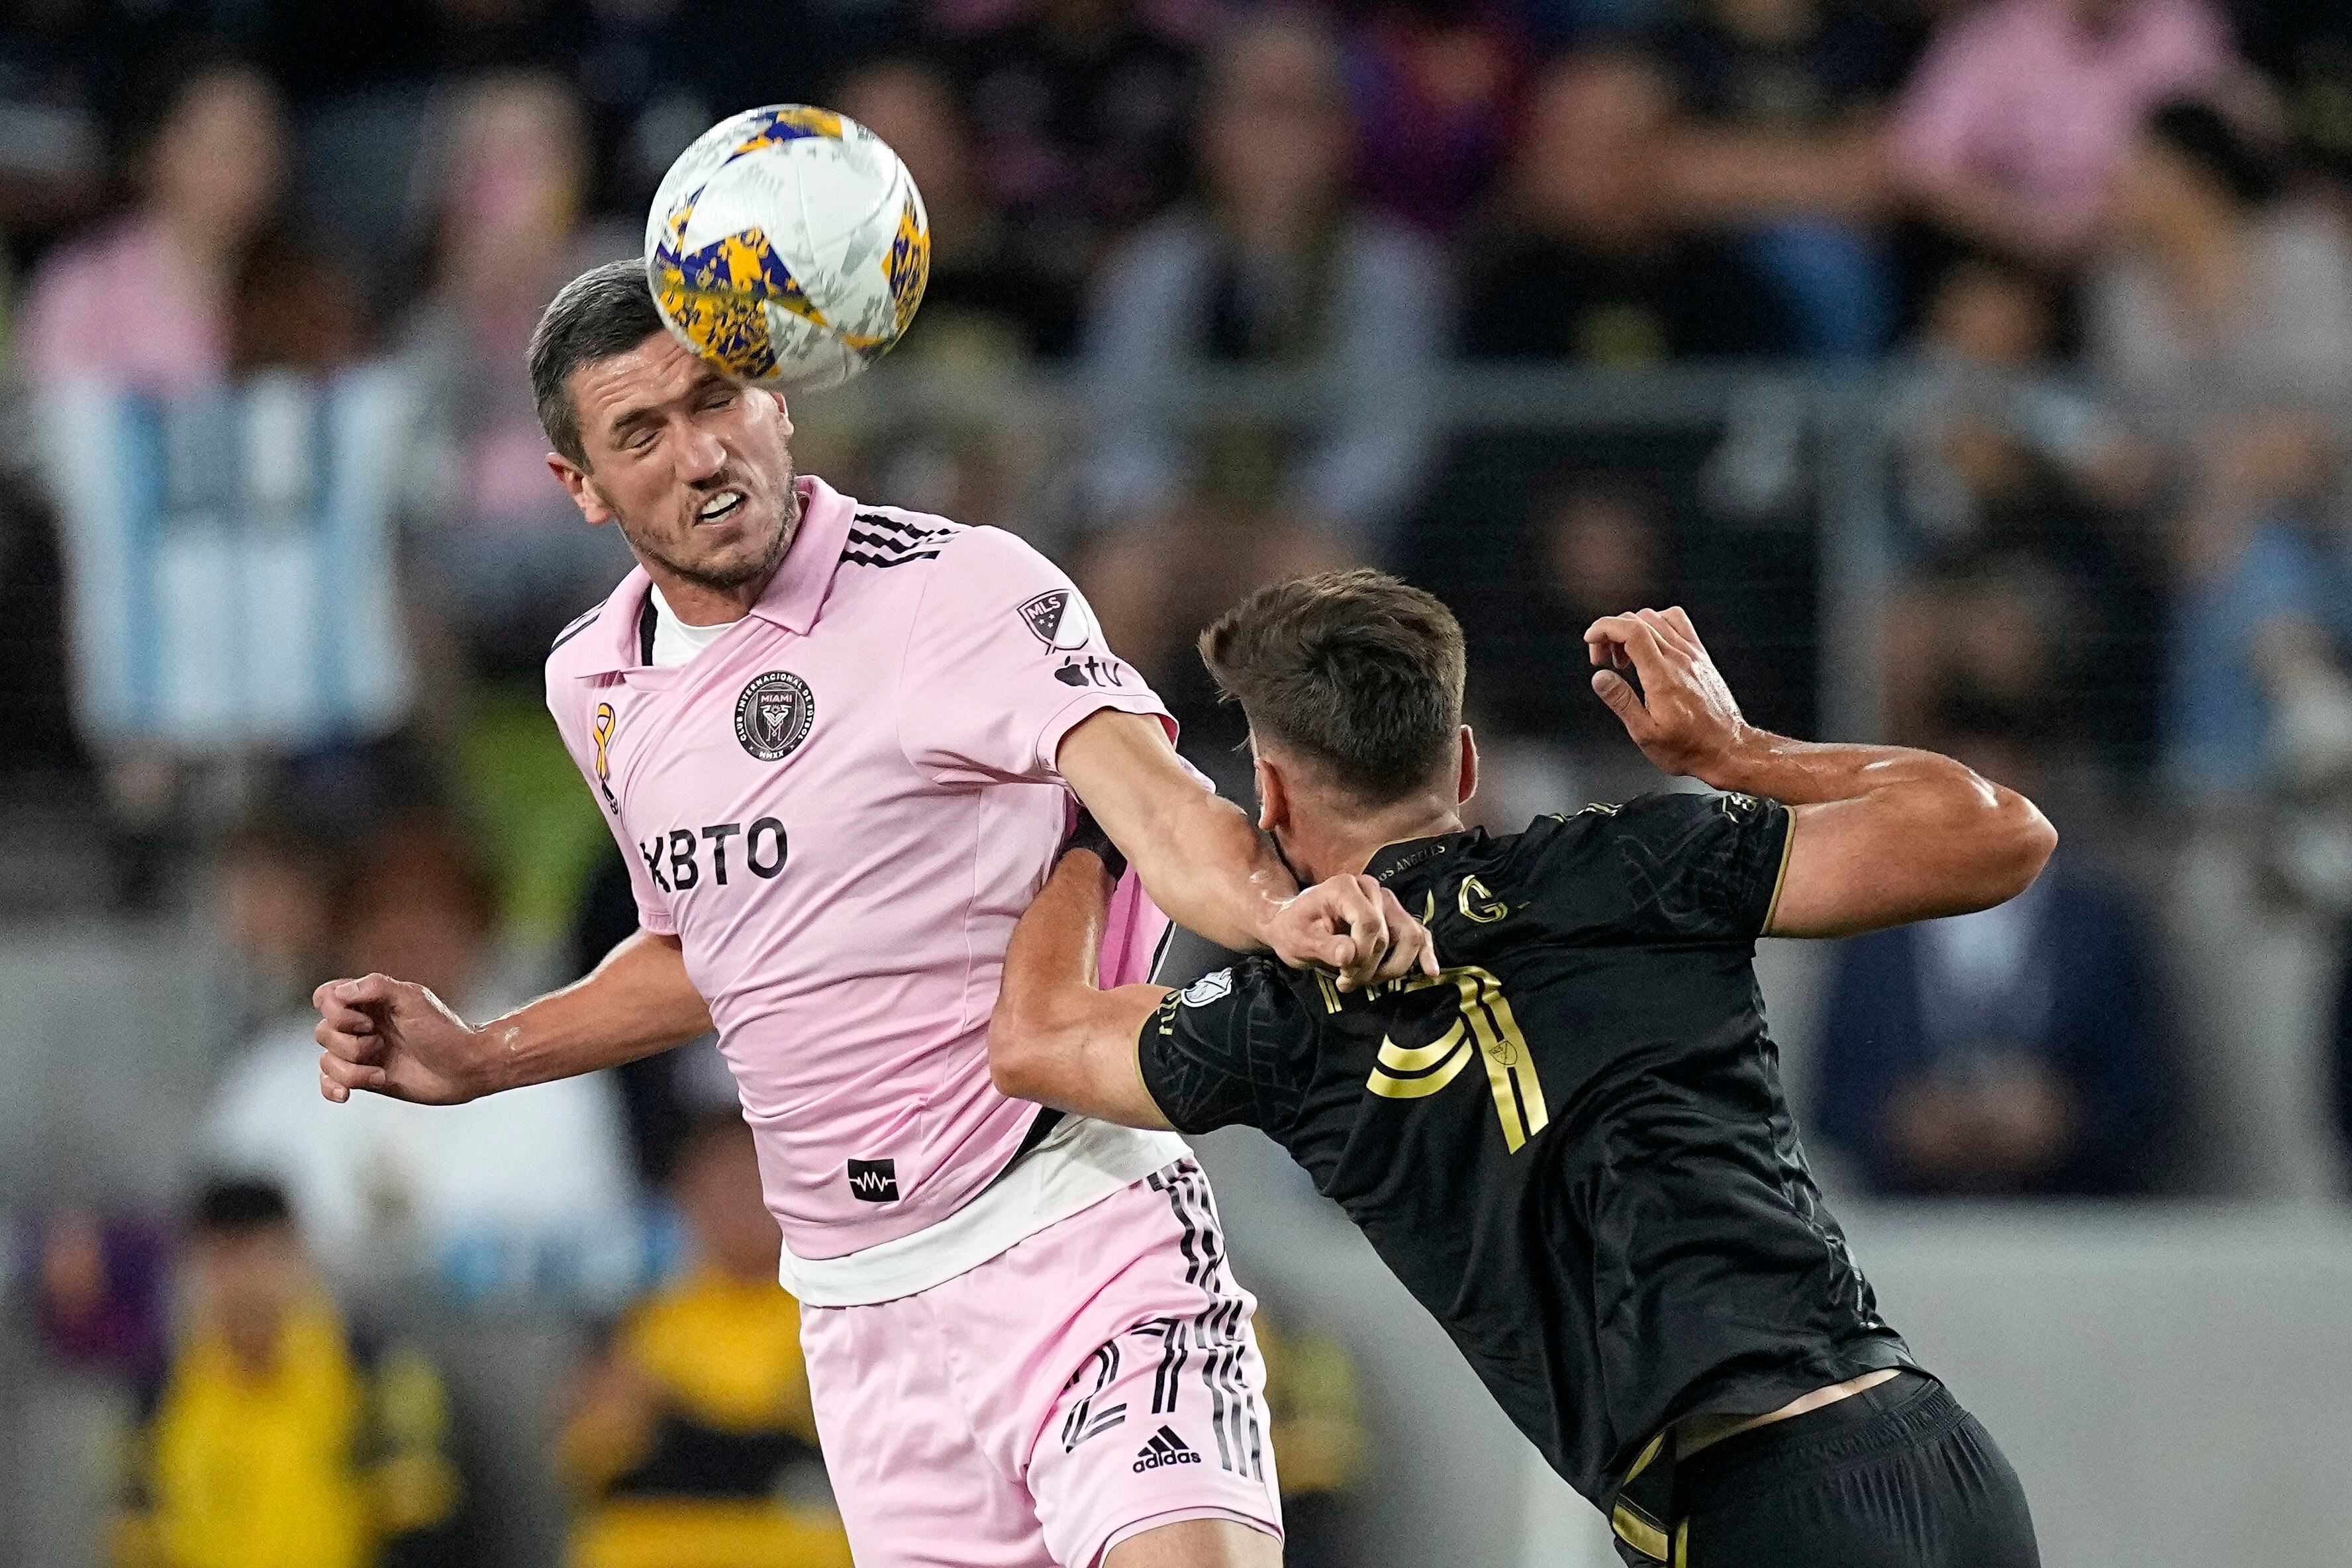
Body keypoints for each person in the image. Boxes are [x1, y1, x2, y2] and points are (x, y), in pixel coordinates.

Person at [311, 258, 1434, 1568]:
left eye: (717, 395)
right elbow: (720, 942)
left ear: (777, 400)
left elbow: (1156, 800)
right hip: (861, 1305)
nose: (700, 450)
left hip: (1069, 1226)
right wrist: (492, 1052)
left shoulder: (949, 588)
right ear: (581, 486)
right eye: (641, 431)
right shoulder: (596, 682)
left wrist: (1277, 912)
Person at [987, 571, 2053, 1567]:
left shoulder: (1289, 1021)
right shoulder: (1637, 861)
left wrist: (1098, 833)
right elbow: (1999, 832)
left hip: (1748, 1512)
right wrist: (1736, 751)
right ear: (1461, 764)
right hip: (1934, 1454)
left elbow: (1033, 1039)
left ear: (1268, 792)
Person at [111, 1177, 462, 1568]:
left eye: (262, 1257)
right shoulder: (159, 1388)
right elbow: (134, 1531)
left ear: (297, 1256)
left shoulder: (373, 1369)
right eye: (225, 1262)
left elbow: (423, 1519)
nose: (245, 1285)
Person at [560, 1110, 851, 1568]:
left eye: (750, 1184)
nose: (737, 1205)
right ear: (685, 1199)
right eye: (718, 1187)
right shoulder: (651, 1321)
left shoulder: (835, 1312)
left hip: (793, 1538)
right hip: (663, 1541)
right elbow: (587, 1455)